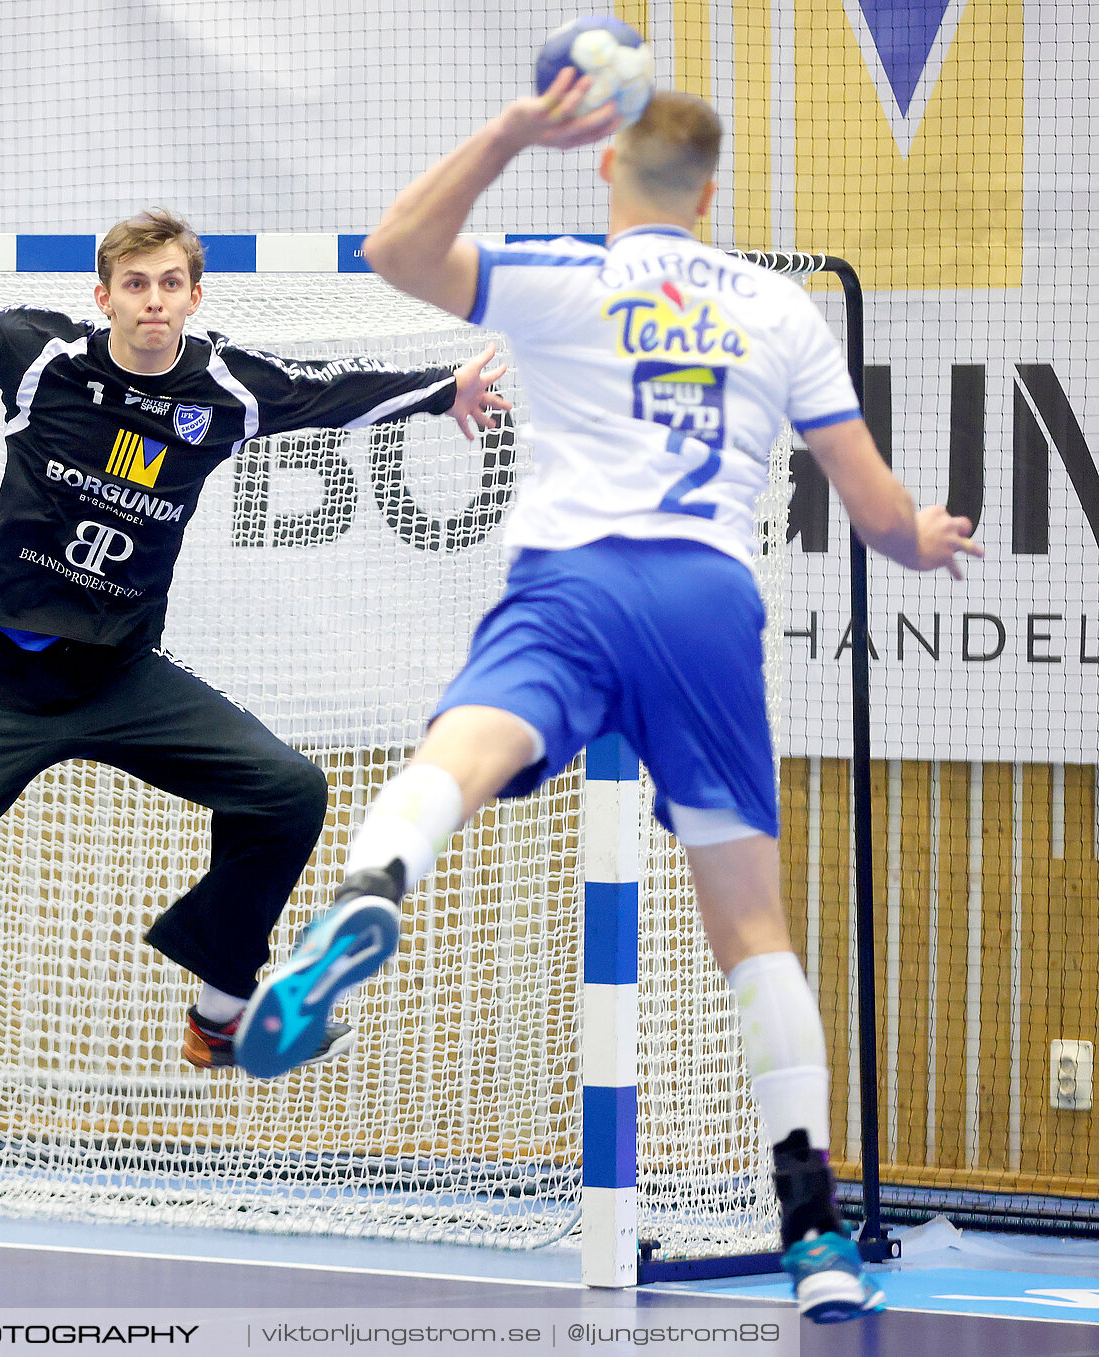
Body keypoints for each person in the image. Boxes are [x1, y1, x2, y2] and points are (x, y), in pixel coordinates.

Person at [233, 76, 981, 1324]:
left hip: (573, 581)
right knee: (752, 925)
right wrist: (928, 533)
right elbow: (882, 519)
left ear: (605, 171)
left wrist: (511, 130)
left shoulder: (564, 276)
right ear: (712, 189)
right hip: (703, 598)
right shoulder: (777, 307)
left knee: (460, 748)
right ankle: (814, 1233)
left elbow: (395, 251)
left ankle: (371, 893)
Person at [0, 131, 511, 1126]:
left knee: (286, 790)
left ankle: (220, 1013)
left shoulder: (223, 390)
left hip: (119, 678)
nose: (153, 301)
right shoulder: (41, 364)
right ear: (104, 296)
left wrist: (443, 391)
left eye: (170, 284)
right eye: (135, 284)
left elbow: (330, 390)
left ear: (195, 297)